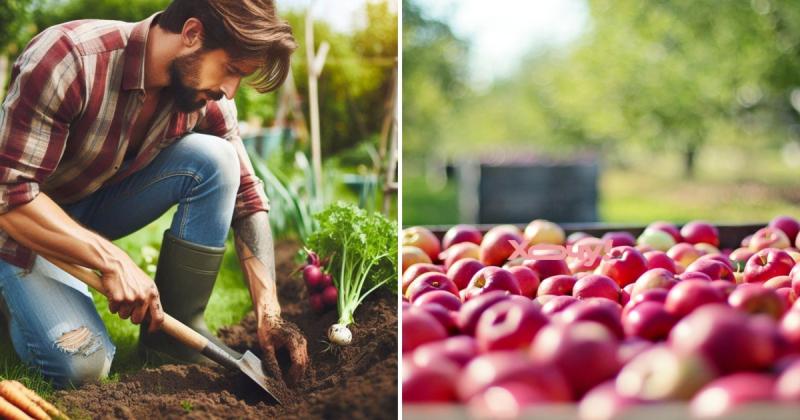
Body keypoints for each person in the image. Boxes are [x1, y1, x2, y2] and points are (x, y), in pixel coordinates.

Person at [0, 0, 309, 388]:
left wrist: (270, 314)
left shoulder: (200, 96)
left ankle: (170, 341)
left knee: (218, 158)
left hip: (86, 206)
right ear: (192, 34)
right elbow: (10, 193)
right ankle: (11, 299)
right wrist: (111, 260)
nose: (230, 92)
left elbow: (247, 198)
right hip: (19, 226)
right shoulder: (70, 59)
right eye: (231, 70)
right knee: (83, 367)